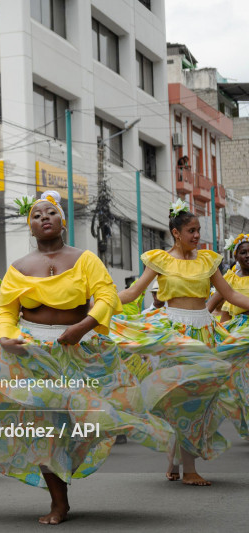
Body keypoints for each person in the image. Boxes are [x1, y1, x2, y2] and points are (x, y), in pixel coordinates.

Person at [0, 191, 170, 525]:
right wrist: (6, 337)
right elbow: (6, 311)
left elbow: (106, 296)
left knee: (83, 424)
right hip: (34, 353)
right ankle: (58, 501)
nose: (44, 218)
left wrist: (84, 325)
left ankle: (69, 471)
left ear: (62, 221)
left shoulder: (86, 259)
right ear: (30, 227)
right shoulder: (18, 268)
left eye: (51, 213)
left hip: (81, 348)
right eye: (37, 215)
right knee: (45, 428)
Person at [112, 200, 249, 486]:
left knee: (198, 399)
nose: (197, 236)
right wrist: (102, 303)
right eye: (191, 230)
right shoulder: (160, 260)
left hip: (204, 331)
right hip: (173, 333)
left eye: (198, 230)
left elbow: (231, 296)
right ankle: (187, 467)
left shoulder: (208, 260)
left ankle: (180, 460)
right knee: (181, 397)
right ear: (176, 233)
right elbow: (134, 292)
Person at [208, 234, 249, 323]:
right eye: (243, 252)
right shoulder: (231, 278)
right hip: (237, 331)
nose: (248, 255)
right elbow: (210, 306)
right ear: (236, 257)